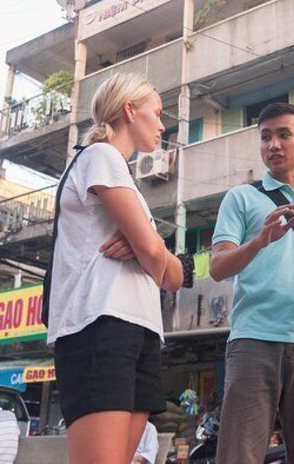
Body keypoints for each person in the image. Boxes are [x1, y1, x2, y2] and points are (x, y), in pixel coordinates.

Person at [47, 72, 183, 464]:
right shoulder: (100, 156)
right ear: (129, 110)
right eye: (156, 113)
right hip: (99, 325)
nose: (162, 124)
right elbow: (155, 256)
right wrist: (150, 249)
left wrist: (150, 249)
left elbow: (174, 276)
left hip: (139, 328)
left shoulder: (125, 179)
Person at [209, 102, 294, 464]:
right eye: (266, 136)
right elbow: (218, 267)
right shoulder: (241, 198)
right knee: (239, 455)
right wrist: (259, 240)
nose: (274, 144)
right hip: (253, 339)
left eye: (284, 134)